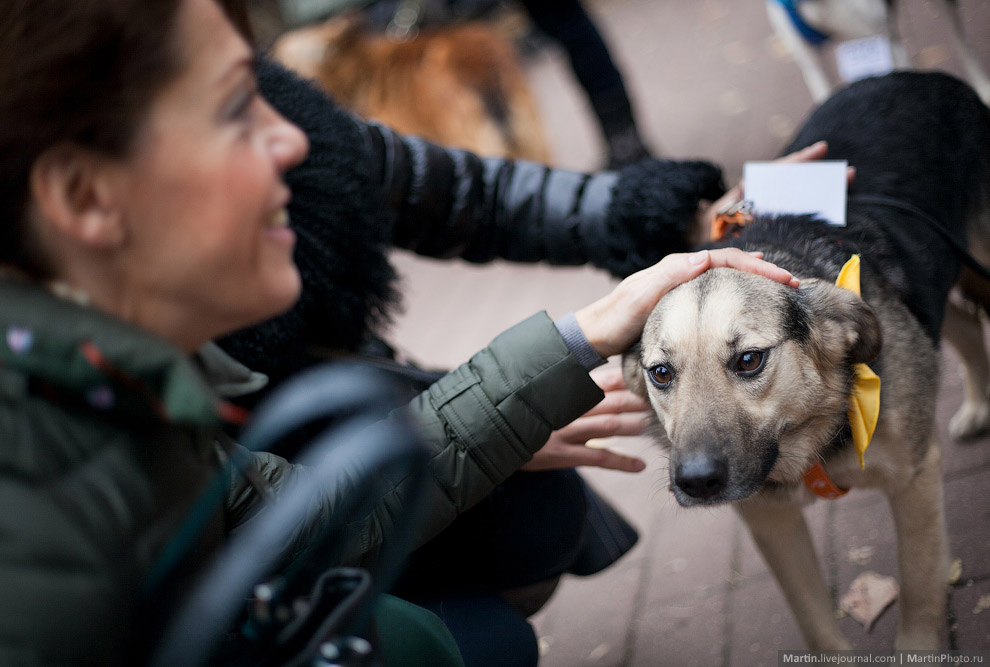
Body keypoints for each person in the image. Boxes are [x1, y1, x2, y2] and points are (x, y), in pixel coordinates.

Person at [0, 0, 802, 664]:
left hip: (319, 466)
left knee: (495, 564)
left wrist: (608, 292)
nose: (292, 140)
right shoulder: (40, 513)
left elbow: (453, 191)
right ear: (84, 196)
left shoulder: (106, 386)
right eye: (235, 105)